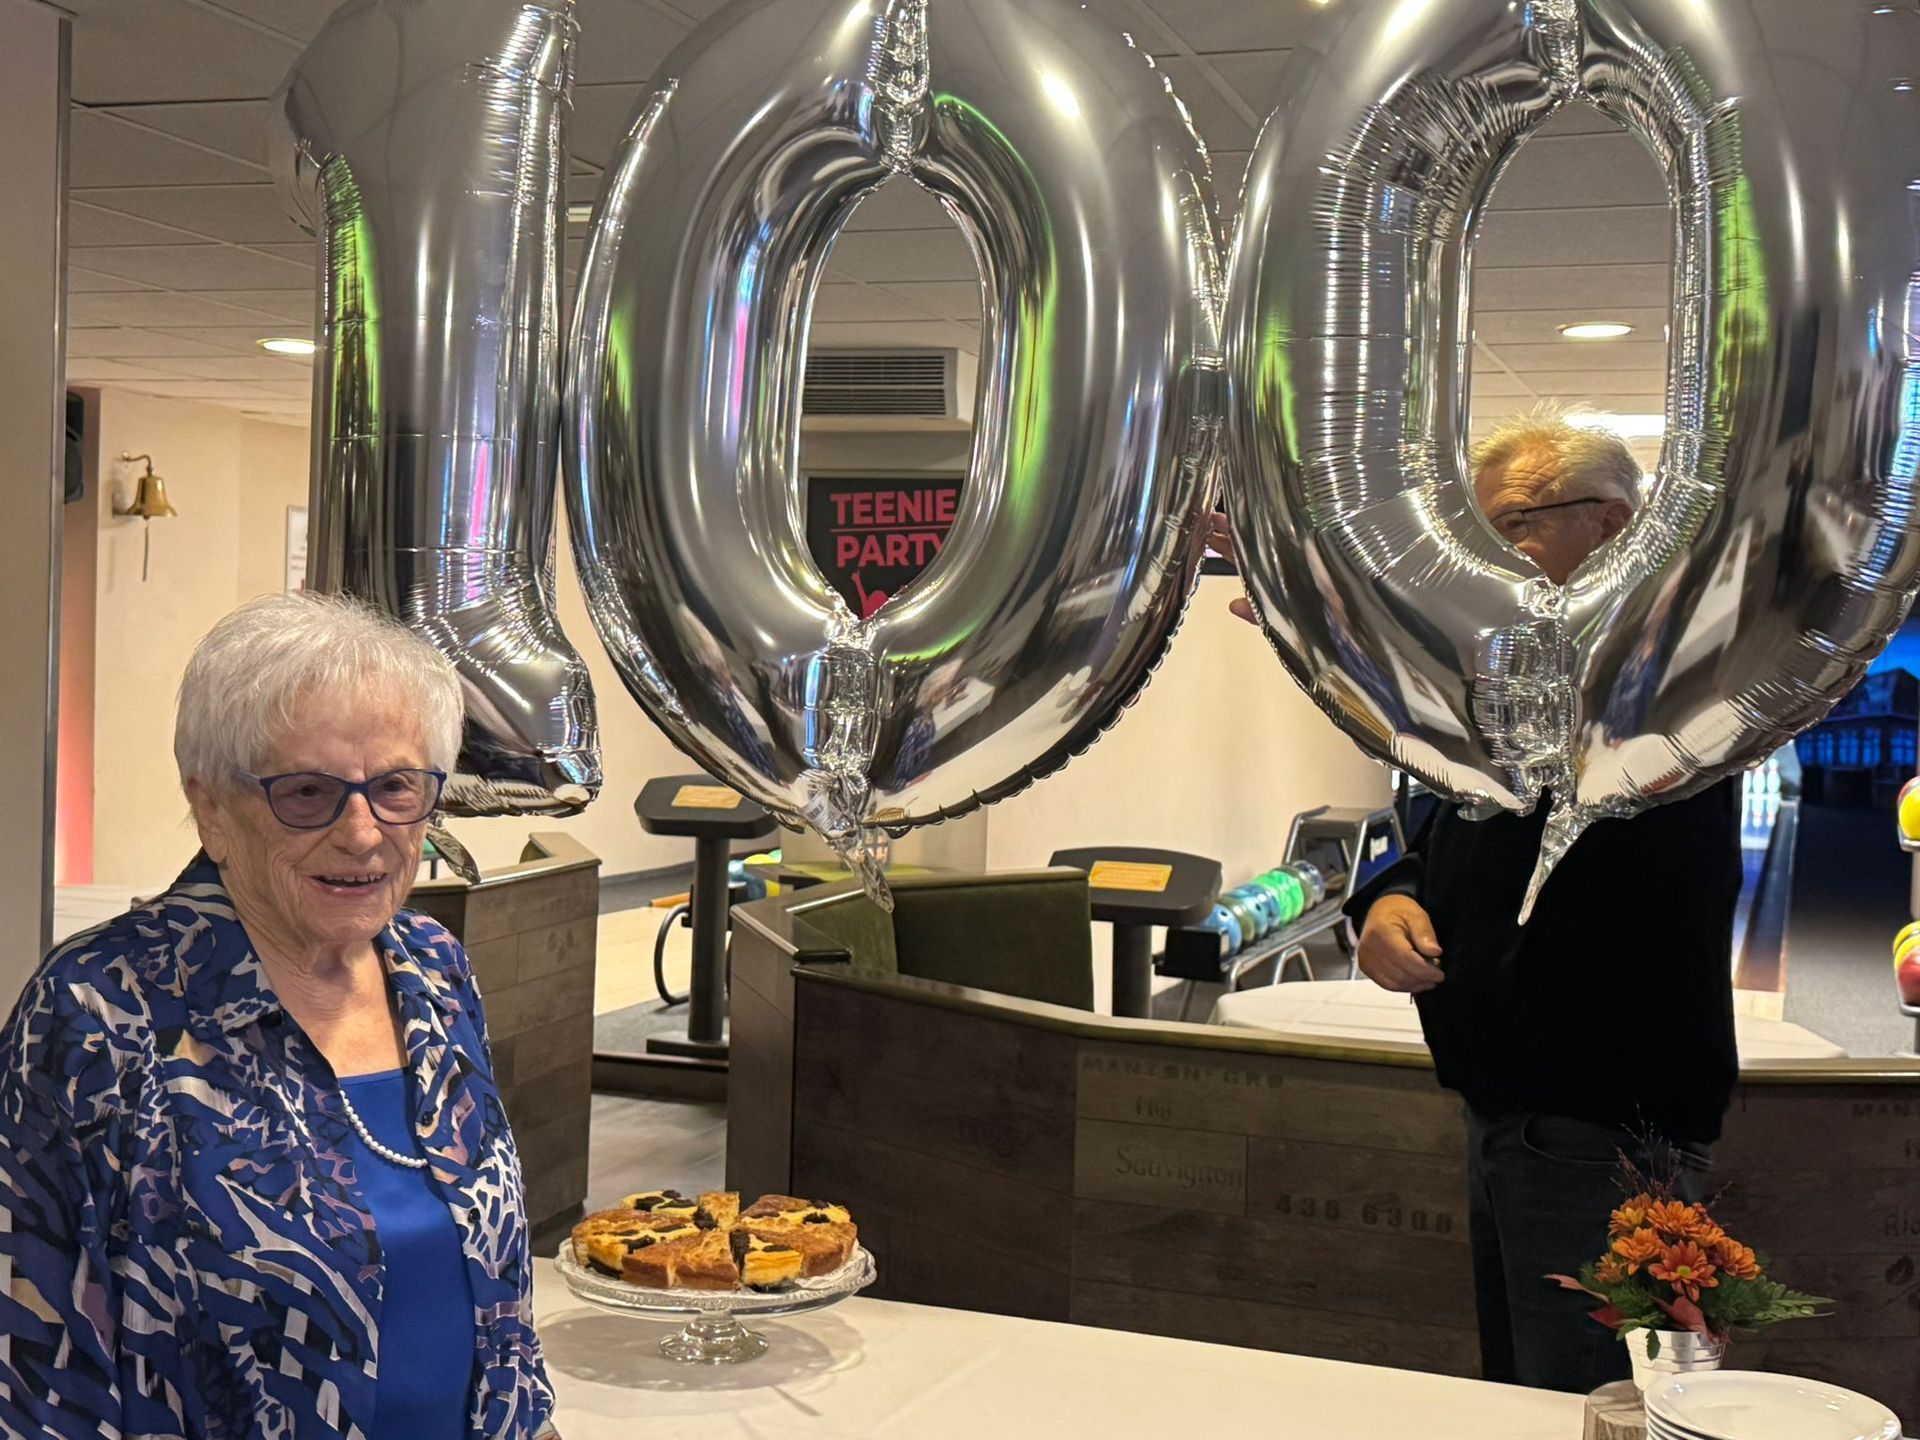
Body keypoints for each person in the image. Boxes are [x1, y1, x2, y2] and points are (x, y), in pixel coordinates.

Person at [1215, 411, 1741, 1394]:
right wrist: (1389, 897)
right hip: (1509, 1106)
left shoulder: (1672, 673)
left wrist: (1340, 608)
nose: (1484, 564)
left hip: (1605, 1125)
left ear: (1613, 524)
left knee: (1596, 1402)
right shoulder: (1510, 688)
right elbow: (1449, 820)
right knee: (1525, 1391)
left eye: (1512, 527)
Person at [0, 594, 561, 1439]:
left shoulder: (433, 969)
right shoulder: (98, 1010)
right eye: (307, 792)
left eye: (395, 787)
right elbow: (34, 1367)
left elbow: (496, 1296)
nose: (363, 834)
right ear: (212, 809)